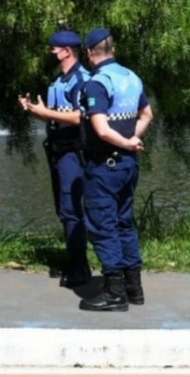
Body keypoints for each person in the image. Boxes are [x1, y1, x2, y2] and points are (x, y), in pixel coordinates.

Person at [77, 28, 153, 312]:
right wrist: (133, 139)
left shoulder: (97, 83)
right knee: (124, 222)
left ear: (89, 53)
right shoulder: (131, 77)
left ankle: (114, 293)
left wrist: (126, 142)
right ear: (112, 48)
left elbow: (101, 129)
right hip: (127, 167)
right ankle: (134, 287)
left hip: (104, 166)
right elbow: (147, 114)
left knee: (102, 224)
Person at [18, 30, 92, 287]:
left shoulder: (83, 79)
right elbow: (54, 117)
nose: (49, 54)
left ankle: (80, 267)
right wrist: (34, 111)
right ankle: (73, 260)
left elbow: (79, 116)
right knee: (63, 209)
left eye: (53, 49)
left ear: (66, 51)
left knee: (73, 209)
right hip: (57, 150)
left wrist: (46, 112)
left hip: (74, 151)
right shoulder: (56, 82)